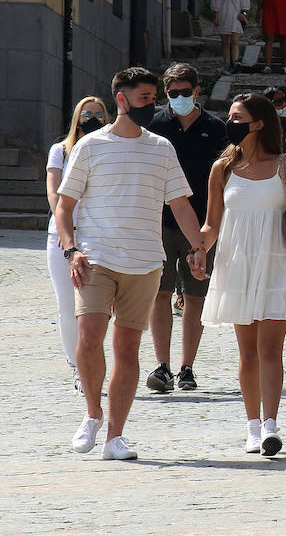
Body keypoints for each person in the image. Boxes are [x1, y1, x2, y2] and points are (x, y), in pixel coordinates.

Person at [55, 67, 206, 460]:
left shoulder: (161, 148)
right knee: (89, 336)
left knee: (127, 348)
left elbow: (180, 204)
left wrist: (198, 248)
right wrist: (72, 250)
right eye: (145, 99)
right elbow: (64, 205)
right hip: (95, 258)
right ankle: (92, 414)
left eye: (154, 99)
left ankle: (114, 437)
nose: (152, 105)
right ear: (121, 100)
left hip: (144, 261)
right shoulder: (90, 146)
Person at [200, 92, 286, 455]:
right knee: (247, 353)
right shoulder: (222, 169)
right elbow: (211, 224)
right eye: (230, 116)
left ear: (259, 123)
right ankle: (250, 426)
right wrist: (197, 249)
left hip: (277, 263)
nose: (230, 122)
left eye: (237, 116)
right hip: (237, 265)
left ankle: (270, 425)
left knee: (270, 349)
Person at [146, 63, 228, 395]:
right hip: (160, 223)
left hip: (203, 226)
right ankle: (162, 365)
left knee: (195, 297)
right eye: (172, 93)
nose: (178, 98)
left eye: (184, 92)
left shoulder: (216, 127)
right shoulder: (153, 125)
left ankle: (187, 368)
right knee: (160, 293)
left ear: (197, 91)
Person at [45, 96, 110, 393]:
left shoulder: (111, 149)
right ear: (76, 118)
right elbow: (54, 192)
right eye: (87, 114)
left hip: (98, 233)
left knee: (95, 307)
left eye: (98, 113)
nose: (92, 118)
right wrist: (65, 228)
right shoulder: (61, 150)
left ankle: (92, 362)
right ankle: (77, 367)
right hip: (62, 235)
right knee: (67, 305)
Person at [210, 0, 251, 72]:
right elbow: (216, 0)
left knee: (235, 40)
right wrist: (216, 17)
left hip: (236, 14)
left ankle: (235, 61)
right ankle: (227, 63)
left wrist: (243, 12)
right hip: (223, 14)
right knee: (225, 41)